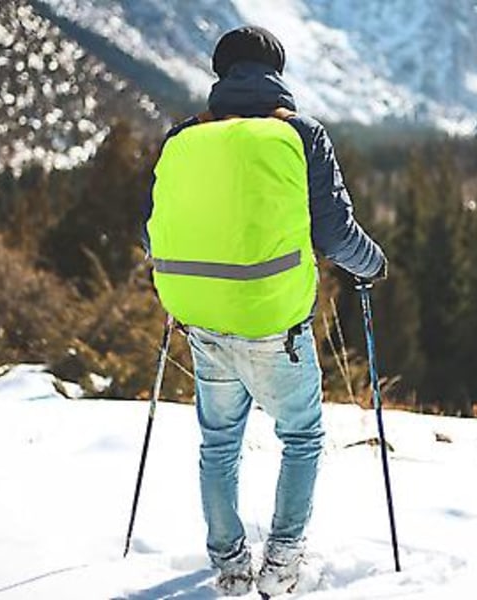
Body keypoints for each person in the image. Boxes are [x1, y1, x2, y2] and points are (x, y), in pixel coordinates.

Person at [143, 25, 387, 597]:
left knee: (218, 442)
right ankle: (281, 562)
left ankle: (229, 566)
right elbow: (333, 232)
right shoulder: (301, 134)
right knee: (300, 436)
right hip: (276, 323)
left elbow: (152, 231)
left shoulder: (184, 137)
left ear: (220, 74)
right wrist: (372, 265)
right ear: (277, 73)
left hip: (202, 319)